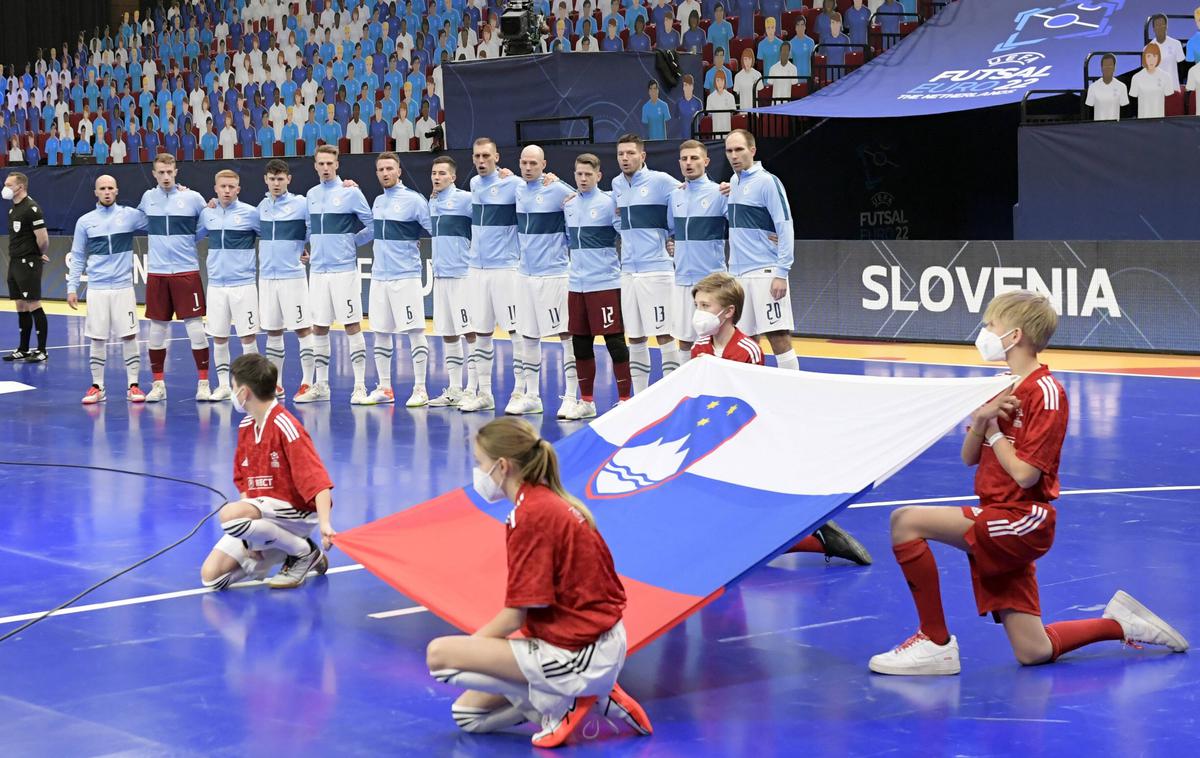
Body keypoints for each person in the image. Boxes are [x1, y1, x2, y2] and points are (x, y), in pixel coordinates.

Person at [868, 291, 1189, 675]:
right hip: (997, 514)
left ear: (1015, 334)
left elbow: (1025, 474)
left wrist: (992, 434)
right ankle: (1119, 623)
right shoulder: (1000, 386)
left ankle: (934, 642)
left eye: (991, 326)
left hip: (1023, 518)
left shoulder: (1047, 393)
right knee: (1033, 650)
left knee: (906, 521)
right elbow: (969, 457)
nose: (985, 333)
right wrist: (982, 418)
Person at [425, 417, 652, 748]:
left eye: (480, 463)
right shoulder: (543, 500)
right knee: (468, 716)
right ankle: (576, 696)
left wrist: (473, 649)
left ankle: (575, 695)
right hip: (590, 641)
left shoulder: (531, 515)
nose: (477, 472)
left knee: (440, 656)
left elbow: (516, 615)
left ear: (502, 466)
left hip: (581, 651)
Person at [199, 353, 335, 591]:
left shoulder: (286, 427)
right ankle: (289, 550)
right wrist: (251, 540)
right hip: (264, 516)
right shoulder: (245, 427)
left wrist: (325, 525)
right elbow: (244, 484)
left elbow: (319, 481)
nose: (233, 394)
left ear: (244, 393)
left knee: (229, 515)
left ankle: (302, 551)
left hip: (296, 513)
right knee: (211, 577)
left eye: (233, 388)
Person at [298, 145, 375, 404]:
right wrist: (303, 248)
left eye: (330, 163)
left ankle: (360, 386)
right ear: (315, 166)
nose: (326, 168)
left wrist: (352, 242)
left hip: (344, 271)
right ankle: (321, 385)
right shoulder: (311, 194)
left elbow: (373, 224)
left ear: (337, 164)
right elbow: (309, 228)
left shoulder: (351, 192)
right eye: (321, 164)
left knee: (352, 324)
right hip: (318, 271)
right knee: (318, 327)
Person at [138, 153, 212, 403]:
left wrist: (190, 241)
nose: (166, 177)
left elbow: (209, 222)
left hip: (186, 272)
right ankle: (158, 385)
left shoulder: (192, 198)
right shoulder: (147, 198)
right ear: (154, 173)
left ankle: (203, 383)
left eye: (170, 172)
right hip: (158, 274)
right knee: (157, 331)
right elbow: (138, 220)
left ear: (176, 171)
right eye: (161, 172)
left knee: (197, 330)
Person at [611, 134, 683, 394]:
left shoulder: (662, 181)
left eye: (630, 153)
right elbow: (616, 219)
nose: (625, 158)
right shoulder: (616, 184)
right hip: (628, 272)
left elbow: (691, 196)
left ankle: (672, 395)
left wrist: (675, 237)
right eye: (621, 154)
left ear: (643, 156)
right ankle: (641, 397)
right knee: (635, 336)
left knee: (664, 334)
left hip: (658, 271)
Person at [66, 175, 147, 403]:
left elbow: (159, 220)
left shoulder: (130, 216)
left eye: (111, 187)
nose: (107, 192)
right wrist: (72, 287)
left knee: (129, 335)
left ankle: (133, 386)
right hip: (97, 289)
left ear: (117, 190)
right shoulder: (85, 221)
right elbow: (79, 255)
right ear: (96, 192)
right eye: (102, 188)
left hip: (123, 288)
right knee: (97, 338)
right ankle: (97, 387)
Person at [458, 137, 525, 413]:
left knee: (517, 332)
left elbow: (549, 192)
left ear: (497, 157)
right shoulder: (474, 184)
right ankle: (484, 393)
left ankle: (521, 391)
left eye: (486, 156)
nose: (481, 161)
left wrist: (547, 179)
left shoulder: (514, 183)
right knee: (481, 332)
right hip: (476, 270)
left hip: (506, 269)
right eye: (477, 157)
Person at [563, 153, 632, 419]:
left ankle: (626, 399)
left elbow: (627, 233)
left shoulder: (609, 202)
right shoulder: (568, 204)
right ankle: (587, 402)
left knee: (615, 342)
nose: (582, 179)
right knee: (580, 343)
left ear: (598, 176)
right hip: (576, 285)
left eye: (588, 174)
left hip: (604, 283)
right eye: (579, 174)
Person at [724, 129, 797, 372]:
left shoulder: (768, 181)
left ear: (752, 151)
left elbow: (785, 225)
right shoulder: (733, 182)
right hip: (738, 276)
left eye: (739, 149)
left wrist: (781, 272)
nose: (734, 155)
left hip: (765, 272)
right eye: (729, 150)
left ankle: (794, 396)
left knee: (778, 337)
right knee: (745, 341)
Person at [513, 145, 577, 417]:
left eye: (534, 163)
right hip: (525, 275)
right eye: (524, 163)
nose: (528, 168)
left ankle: (572, 396)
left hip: (555, 274)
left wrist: (560, 180)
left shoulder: (558, 190)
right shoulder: (515, 188)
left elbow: (583, 199)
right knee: (528, 333)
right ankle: (532, 396)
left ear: (544, 164)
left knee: (566, 334)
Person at [367, 152, 433, 407]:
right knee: (381, 332)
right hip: (379, 278)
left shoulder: (414, 201)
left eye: (390, 168)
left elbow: (434, 229)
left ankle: (420, 389)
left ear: (399, 171)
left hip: (405, 277)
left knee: (415, 331)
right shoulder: (378, 201)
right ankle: (385, 388)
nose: (385, 173)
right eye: (381, 169)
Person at [198, 170, 262, 401]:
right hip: (216, 285)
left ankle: (252, 387)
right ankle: (224, 385)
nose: (227, 190)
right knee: (219, 337)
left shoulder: (251, 213)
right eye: (223, 186)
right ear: (215, 188)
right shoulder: (208, 214)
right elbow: (194, 236)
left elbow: (272, 236)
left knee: (248, 337)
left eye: (231, 186)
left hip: (243, 285)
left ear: (238, 189)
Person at [257, 160, 316, 400]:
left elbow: (316, 227)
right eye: (272, 179)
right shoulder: (261, 207)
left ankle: (307, 383)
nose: (276, 183)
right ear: (266, 180)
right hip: (267, 278)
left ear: (288, 179)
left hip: (293, 277)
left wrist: (308, 247)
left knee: (303, 329)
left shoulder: (302, 204)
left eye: (280, 178)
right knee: (273, 332)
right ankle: (276, 384)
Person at [426, 156, 479, 407]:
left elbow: (483, 227)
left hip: (462, 275)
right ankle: (455, 388)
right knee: (448, 334)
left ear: (453, 177)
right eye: (434, 173)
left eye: (442, 173)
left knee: (470, 332)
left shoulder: (466, 200)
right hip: (441, 277)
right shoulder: (432, 201)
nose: (437, 177)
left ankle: (473, 388)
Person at [669, 142, 727, 362]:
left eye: (694, 158)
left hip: (712, 282)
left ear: (706, 161)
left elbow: (742, 222)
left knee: (716, 339)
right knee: (685, 341)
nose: (689, 163)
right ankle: (689, 391)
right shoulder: (675, 196)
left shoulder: (720, 192)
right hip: (683, 280)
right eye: (684, 159)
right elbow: (670, 232)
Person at [2, 173, 50, 362]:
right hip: (14, 262)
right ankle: (23, 348)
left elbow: (43, 238)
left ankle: (42, 350)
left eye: (8, 184)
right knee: (20, 305)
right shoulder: (13, 209)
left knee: (33, 303)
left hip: (28, 262)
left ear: (20, 187)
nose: (5, 187)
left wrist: (37, 254)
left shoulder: (32, 208)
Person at [1130, 43, 1173, 119]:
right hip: (1142, 121)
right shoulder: (1136, 77)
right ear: (1144, 58)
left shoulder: (1166, 76)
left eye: (1155, 56)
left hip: (1160, 121)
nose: (1151, 60)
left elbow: (1169, 96)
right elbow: (1133, 98)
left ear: (1158, 57)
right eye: (1148, 56)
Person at [1086, 53, 1130, 122]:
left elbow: (1125, 111)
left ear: (1114, 67)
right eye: (1105, 65)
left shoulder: (1122, 86)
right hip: (1098, 129)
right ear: (1101, 67)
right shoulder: (1093, 87)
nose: (1107, 67)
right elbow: (1089, 110)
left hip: (1116, 129)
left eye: (1110, 65)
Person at [1149, 13, 1184, 92]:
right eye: (1157, 25)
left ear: (1167, 26)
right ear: (1153, 28)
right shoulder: (1148, 48)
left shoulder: (1176, 44)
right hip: (1155, 91)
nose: (1160, 27)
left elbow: (1182, 68)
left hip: (1173, 89)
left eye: (1162, 24)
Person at [676, 74, 704, 139]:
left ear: (692, 87)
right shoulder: (678, 102)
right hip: (681, 139)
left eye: (689, 85)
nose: (687, 87)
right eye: (685, 85)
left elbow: (701, 119)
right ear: (683, 87)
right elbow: (676, 118)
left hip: (695, 138)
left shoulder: (698, 102)